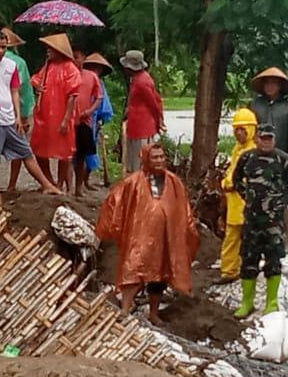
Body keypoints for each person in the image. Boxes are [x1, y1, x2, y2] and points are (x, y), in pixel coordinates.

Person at [96, 143, 199, 325]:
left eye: (161, 157)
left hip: (166, 237)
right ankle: (125, 309)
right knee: (133, 270)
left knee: (160, 276)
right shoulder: (133, 182)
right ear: (146, 159)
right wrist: (111, 227)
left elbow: (184, 209)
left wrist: (188, 230)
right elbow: (115, 202)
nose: (159, 161)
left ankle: (153, 313)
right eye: (155, 157)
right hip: (140, 236)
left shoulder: (174, 182)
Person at [0, 28, 60, 207]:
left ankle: (47, 184)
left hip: (9, 117)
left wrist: (19, 116)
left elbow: (15, 91)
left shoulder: (12, 66)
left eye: (4, 47)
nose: (1, 51)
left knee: (25, 151)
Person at [231, 124, 288, 319]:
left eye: (270, 138)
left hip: (274, 222)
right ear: (256, 138)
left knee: (273, 261)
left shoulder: (283, 159)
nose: (266, 142)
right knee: (248, 261)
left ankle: (271, 303)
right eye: (263, 138)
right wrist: (248, 197)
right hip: (252, 220)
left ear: (274, 140)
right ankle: (247, 303)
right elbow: (236, 179)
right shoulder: (247, 158)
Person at [30, 33, 81, 191]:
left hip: (61, 116)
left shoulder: (71, 69)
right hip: (44, 116)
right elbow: (36, 79)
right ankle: (49, 181)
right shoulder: (48, 66)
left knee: (64, 152)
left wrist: (66, 120)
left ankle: (59, 183)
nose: (47, 51)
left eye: (50, 48)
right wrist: (37, 86)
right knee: (38, 147)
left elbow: (72, 97)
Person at [217, 107, 258, 284]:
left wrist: (228, 184)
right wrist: (227, 182)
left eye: (243, 129)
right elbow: (232, 172)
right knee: (232, 238)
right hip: (235, 203)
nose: (239, 133)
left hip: (245, 204)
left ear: (251, 130)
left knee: (245, 239)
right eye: (237, 129)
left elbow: (241, 179)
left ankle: (243, 269)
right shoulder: (237, 149)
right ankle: (230, 271)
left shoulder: (252, 152)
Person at [250, 66, 288, 182]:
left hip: (280, 160)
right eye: (267, 83)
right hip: (256, 159)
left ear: (280, 86)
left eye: (273, 83)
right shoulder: (254, 105)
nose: (270, 86)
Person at [1, 26, 37, 192]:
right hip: (14, 111)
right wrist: (24, 115)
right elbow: (24, 91)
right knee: (19, 146)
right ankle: (12, 184)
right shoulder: (19, 63)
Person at [119, 49, 165, 173]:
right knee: (136, 159)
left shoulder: (142, 82)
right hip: (137, 125)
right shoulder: (138, 79)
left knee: (140, 160)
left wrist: (159, 121)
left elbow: (154, 103)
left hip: (142, 128)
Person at [72, 49, 105, 196]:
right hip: (68, 120)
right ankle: (67, 187)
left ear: (83, 58)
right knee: (67, 156)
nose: (74, 61)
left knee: (81, 156)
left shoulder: (91, 76)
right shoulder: (66, 74)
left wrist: (90, 111)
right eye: (72, 57)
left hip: (84, 121)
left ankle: (78, 188)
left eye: (77, 57)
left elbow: (99, 97)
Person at [81, 53, 115, 191]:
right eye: (92, 67)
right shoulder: (79, 79)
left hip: (93, 121)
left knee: (90, 153)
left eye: (98, 68)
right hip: (79, 119)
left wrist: (100, 120)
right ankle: (75, 185)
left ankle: (85, 181)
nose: (95, 70)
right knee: (77, 154)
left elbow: (103, 105)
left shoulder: (100, 84)